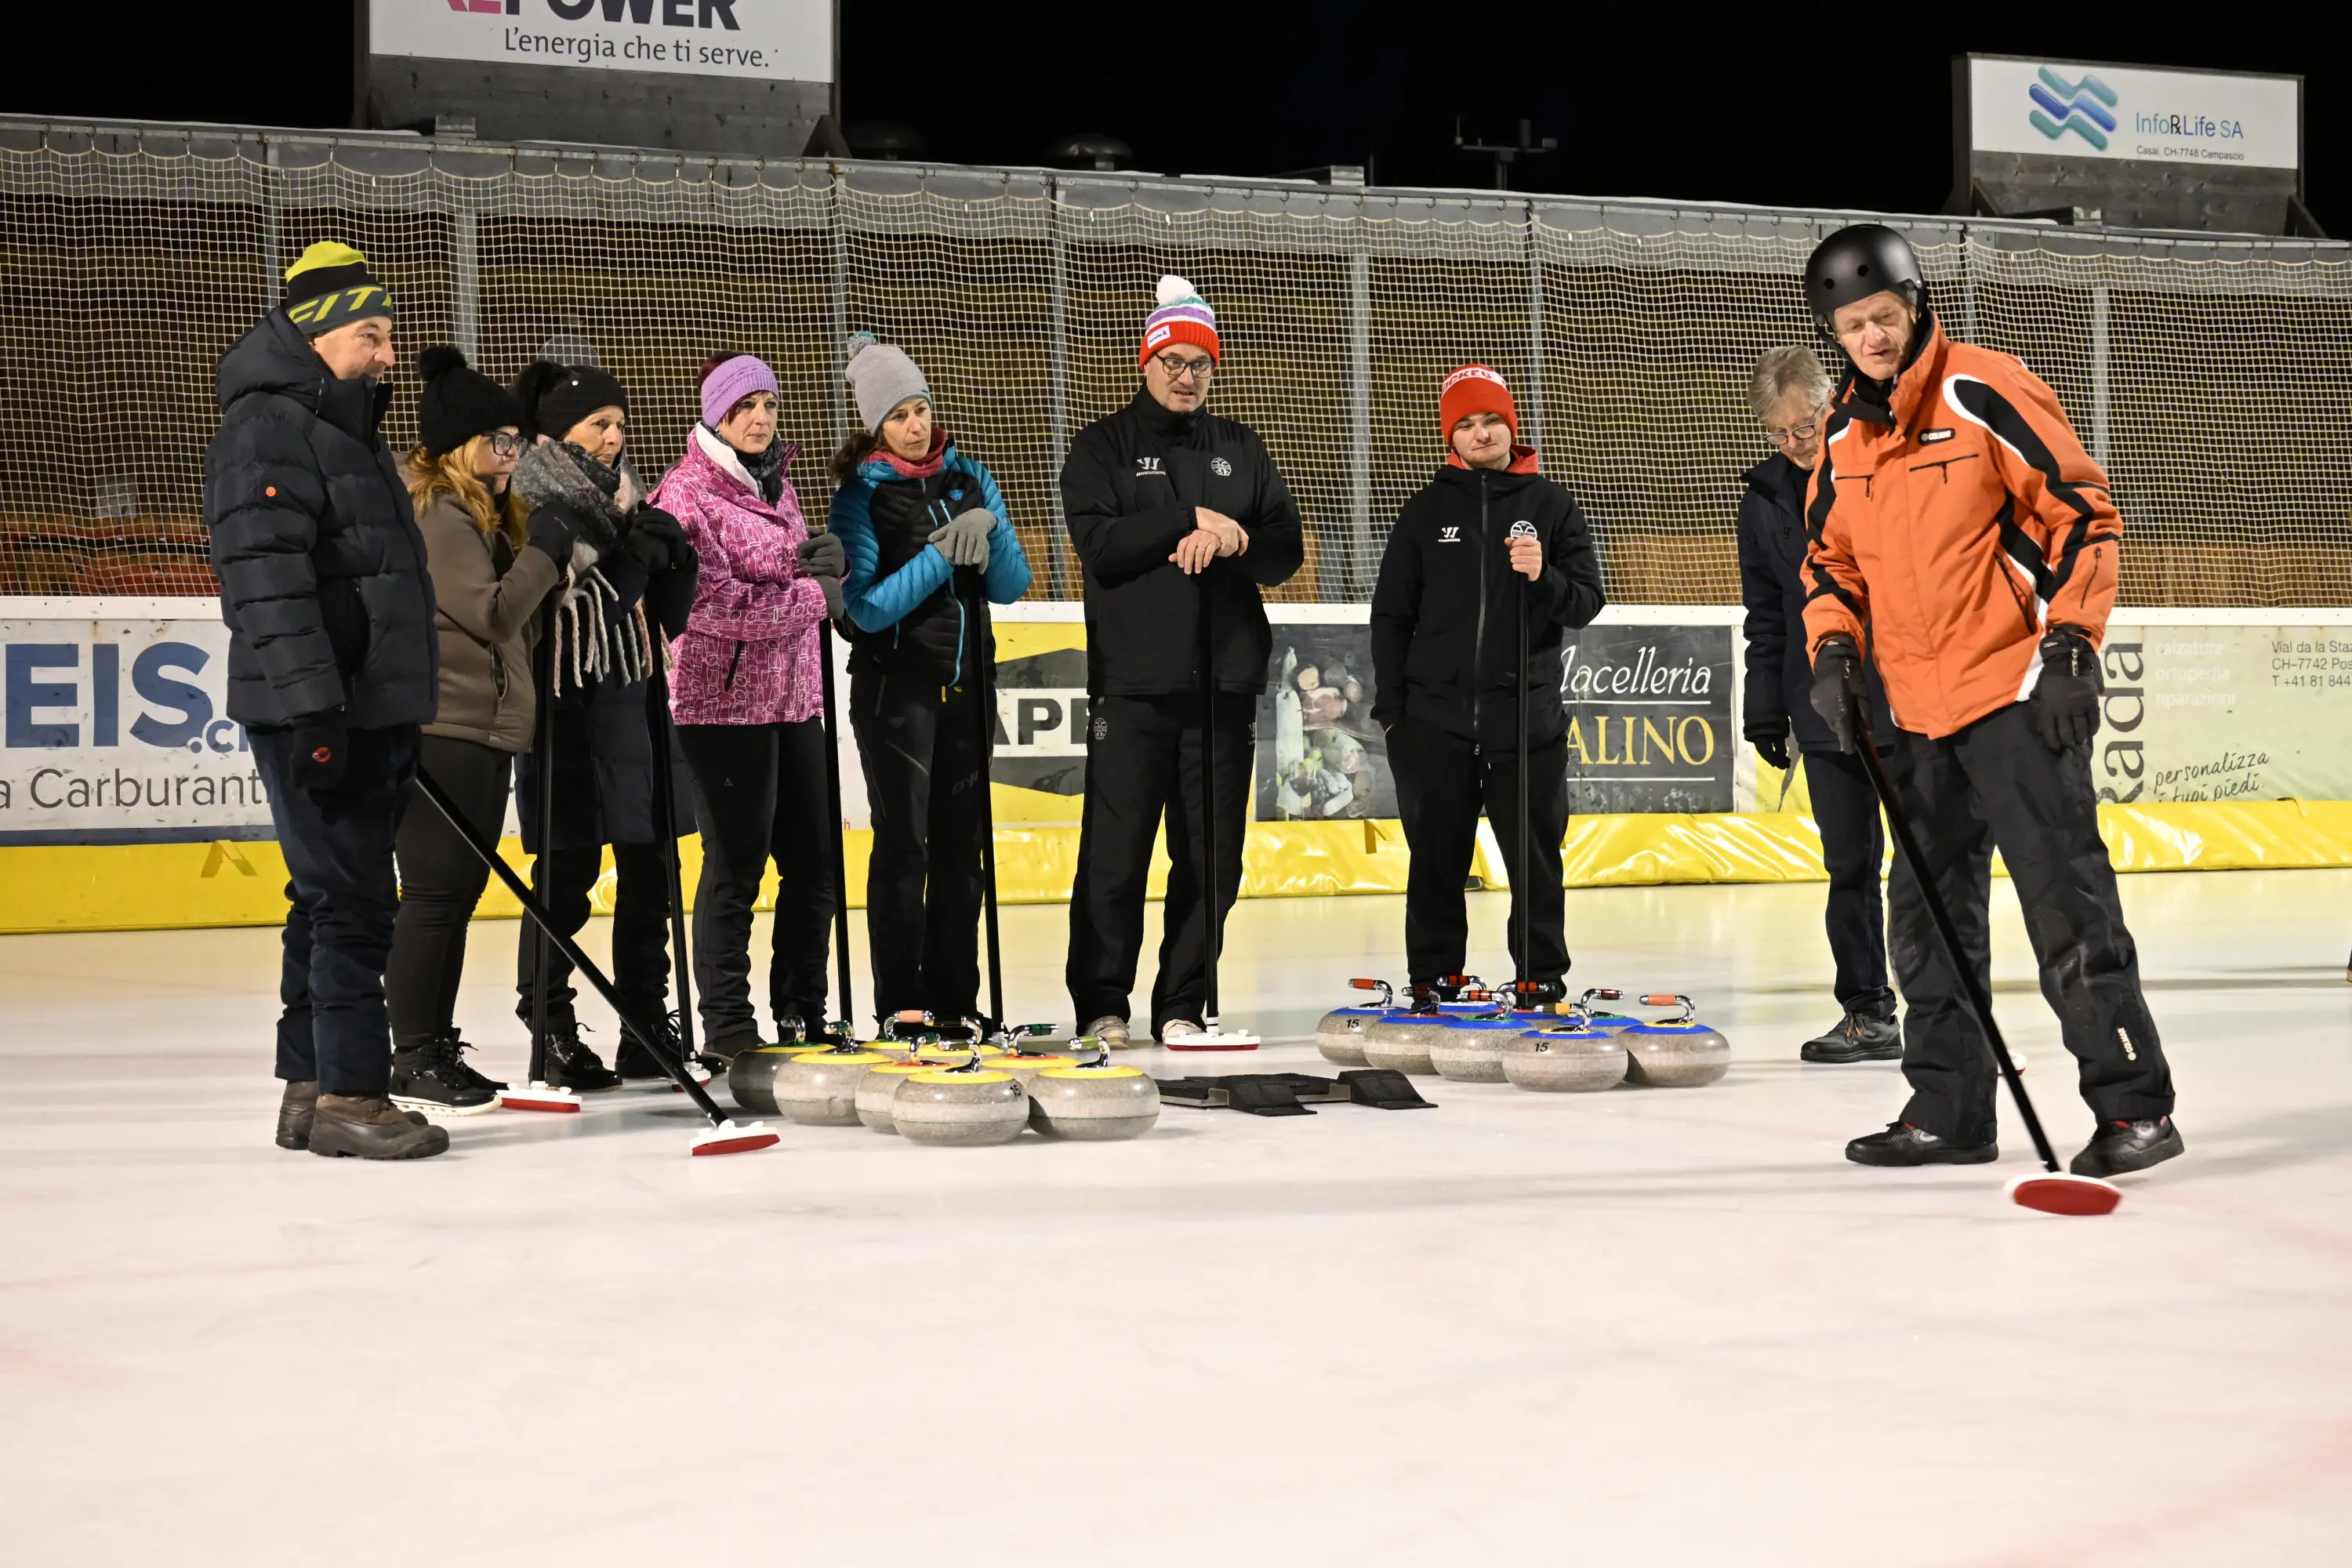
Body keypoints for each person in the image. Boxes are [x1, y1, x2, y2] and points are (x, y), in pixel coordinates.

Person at [1800, 223, 2181, 1178]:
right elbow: (1829, 563)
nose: (1874, 338)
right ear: (1834, 335)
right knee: (1927, 923)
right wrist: (1836, 652)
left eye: (1885, 316)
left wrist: (2068, 646)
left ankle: (2134, 1108)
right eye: (1853, 326)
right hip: (1912, 708)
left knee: (2067, 905)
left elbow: (2083, 513)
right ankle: (1949, 1110)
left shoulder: (1983, 387)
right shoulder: (1843, 438)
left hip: (2011, 689)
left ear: (1915, 303)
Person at [204, 241, 446, 1159]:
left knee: (322, 898)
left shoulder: (344, 426)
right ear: (315, 334)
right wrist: (314, 708)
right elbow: (264, 578)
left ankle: (309, 1088)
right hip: (324, 709)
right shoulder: (271, 425)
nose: (388, 354)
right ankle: (352, 1092)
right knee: (350, 901)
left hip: (366, 705)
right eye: (371, 335)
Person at [1059, 276, 1303, 1046]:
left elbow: (1284, 550)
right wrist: (1187, 518)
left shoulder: (1242, 447)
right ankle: (1103, 1001)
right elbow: (1100, 546)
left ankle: (1183, 1004)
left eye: (1200, 361)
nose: (1187, 374)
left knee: (1210, 860)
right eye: (1173, 359)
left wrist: (1233, 536)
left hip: (1222, 689)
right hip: (1133, 688)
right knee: (1116, 857)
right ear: (1147, 361)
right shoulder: (1102, 446)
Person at [1369, 365, 1605, 1006]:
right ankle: (1435, 976)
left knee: (1534, 859)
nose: (1481, 432)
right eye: (1466, 423)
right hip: (1432, 722)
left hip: (1525, 721)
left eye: (1491, 420)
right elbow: (1391, 615)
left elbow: (1586, 601)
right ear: (1451, 435)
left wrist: (1542, 577)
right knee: (1437, 858)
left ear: (1511, 427)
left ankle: (1539, 975)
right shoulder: (1425, 509)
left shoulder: (1552, 505)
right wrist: (1395, 715)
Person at [827, 335, 1033, 1025]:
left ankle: (957, 1001)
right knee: (904, 846)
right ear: (874, 427)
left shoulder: (970, 476)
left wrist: (990, 529)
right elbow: (863, 608)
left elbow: (1012, 584)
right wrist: (943, 555)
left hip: (969, 687)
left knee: (960, 852)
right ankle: (902, 1002)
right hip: (896, 691)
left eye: (920, 409)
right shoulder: (860, 497)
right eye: (898, 417)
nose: (915, 426)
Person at [506, 358, 699, 1086]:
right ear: (560, 432)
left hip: (639, 707)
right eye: (599, 424)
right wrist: (636, 566)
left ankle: (645, 1022)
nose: (616, 438)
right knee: (568, 872)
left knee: (653, 870)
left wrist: (675, 563)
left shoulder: (627, 502)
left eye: (621, 424)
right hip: (570, 713)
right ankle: (547, 1023)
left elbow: (662, 623)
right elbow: (569, 616)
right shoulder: (532, 503)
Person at [381, 346, 563, 1114]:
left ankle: (432, 1045)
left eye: (516, 442)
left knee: (452, 895)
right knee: (432, 893)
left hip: (481, 728)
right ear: (461, 441)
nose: (510, 455)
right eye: (500, 441)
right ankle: (415, 1052)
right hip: (444, 727)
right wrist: (550, 548)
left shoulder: (481, 508)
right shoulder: (437, 508)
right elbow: (491, 611)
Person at [652, 351, 844, 1056]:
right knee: (735, 866)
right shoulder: (684, 495)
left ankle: (803, 1012)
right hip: (720, 704)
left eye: (769, 404)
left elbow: (778, 575)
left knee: (815, 865)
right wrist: (816, 595)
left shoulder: (780, 486)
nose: (761, 419)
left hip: (795, 698)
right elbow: (711, 604)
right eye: (745, 407)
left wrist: (818, 560)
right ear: (716, 414)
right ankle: (729, 1029)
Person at [1737, 345, 1908, 1064]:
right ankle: (1868, 1009)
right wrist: (1766, 710)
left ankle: (1951, 1011)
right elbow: (1768, 614)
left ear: (1830, 409)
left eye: (1805, 427)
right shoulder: (1763, 499)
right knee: (1849, 865)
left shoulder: (1880, 470)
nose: (1795, 443)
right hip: (1820, 707)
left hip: (1906, 701)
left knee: (1931, 862)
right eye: (1779, 433)